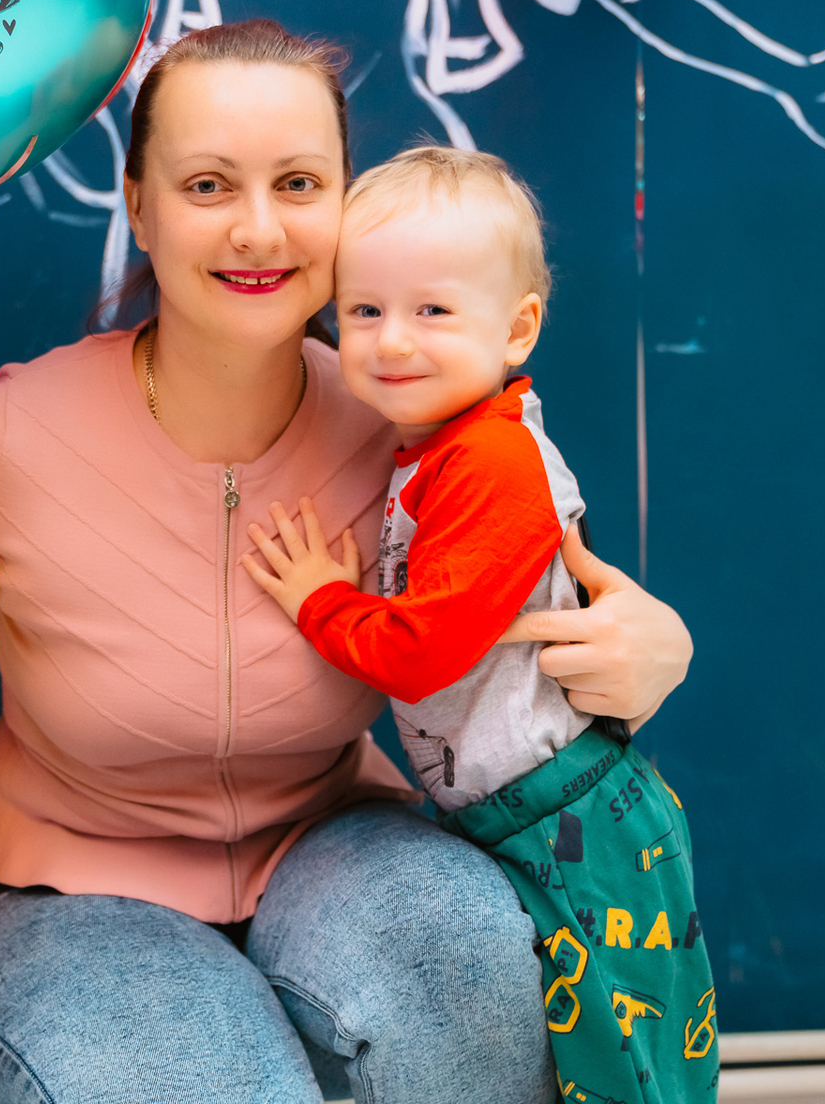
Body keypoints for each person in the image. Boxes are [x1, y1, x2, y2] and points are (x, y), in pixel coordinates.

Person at [0, 19, 693, 1103]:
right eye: (207, 186)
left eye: (298, 184)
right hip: (64, 883)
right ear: (139, 205)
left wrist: (658, 645)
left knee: (463, 967)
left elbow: (543, 581)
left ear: (344, 204)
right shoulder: (4, 434)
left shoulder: (411, 422)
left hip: (337, 836)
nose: (258, 229)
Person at [240, 146, 715, 1104]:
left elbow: (420, 654)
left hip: (567, 816)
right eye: (363, 311)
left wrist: (319, 598)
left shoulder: (491, 462)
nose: (391, 341)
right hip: (517, 810)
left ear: (518, 329)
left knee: (625, 1071)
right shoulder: (436, 448)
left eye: (433, 311)